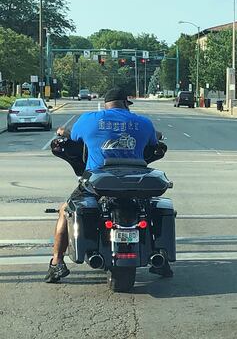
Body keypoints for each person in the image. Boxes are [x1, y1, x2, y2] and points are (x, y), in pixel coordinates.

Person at [45, 87, 163, 283]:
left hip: (98, 183)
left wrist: (62, 131)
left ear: (106, 103)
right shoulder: (143, 123)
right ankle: (161, 257)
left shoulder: (89, 120)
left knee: (66, 210)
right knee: (150, 209)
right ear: (126, 103)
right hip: (136, 183)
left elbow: (71, 135)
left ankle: (57, 263)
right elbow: (156, 138)